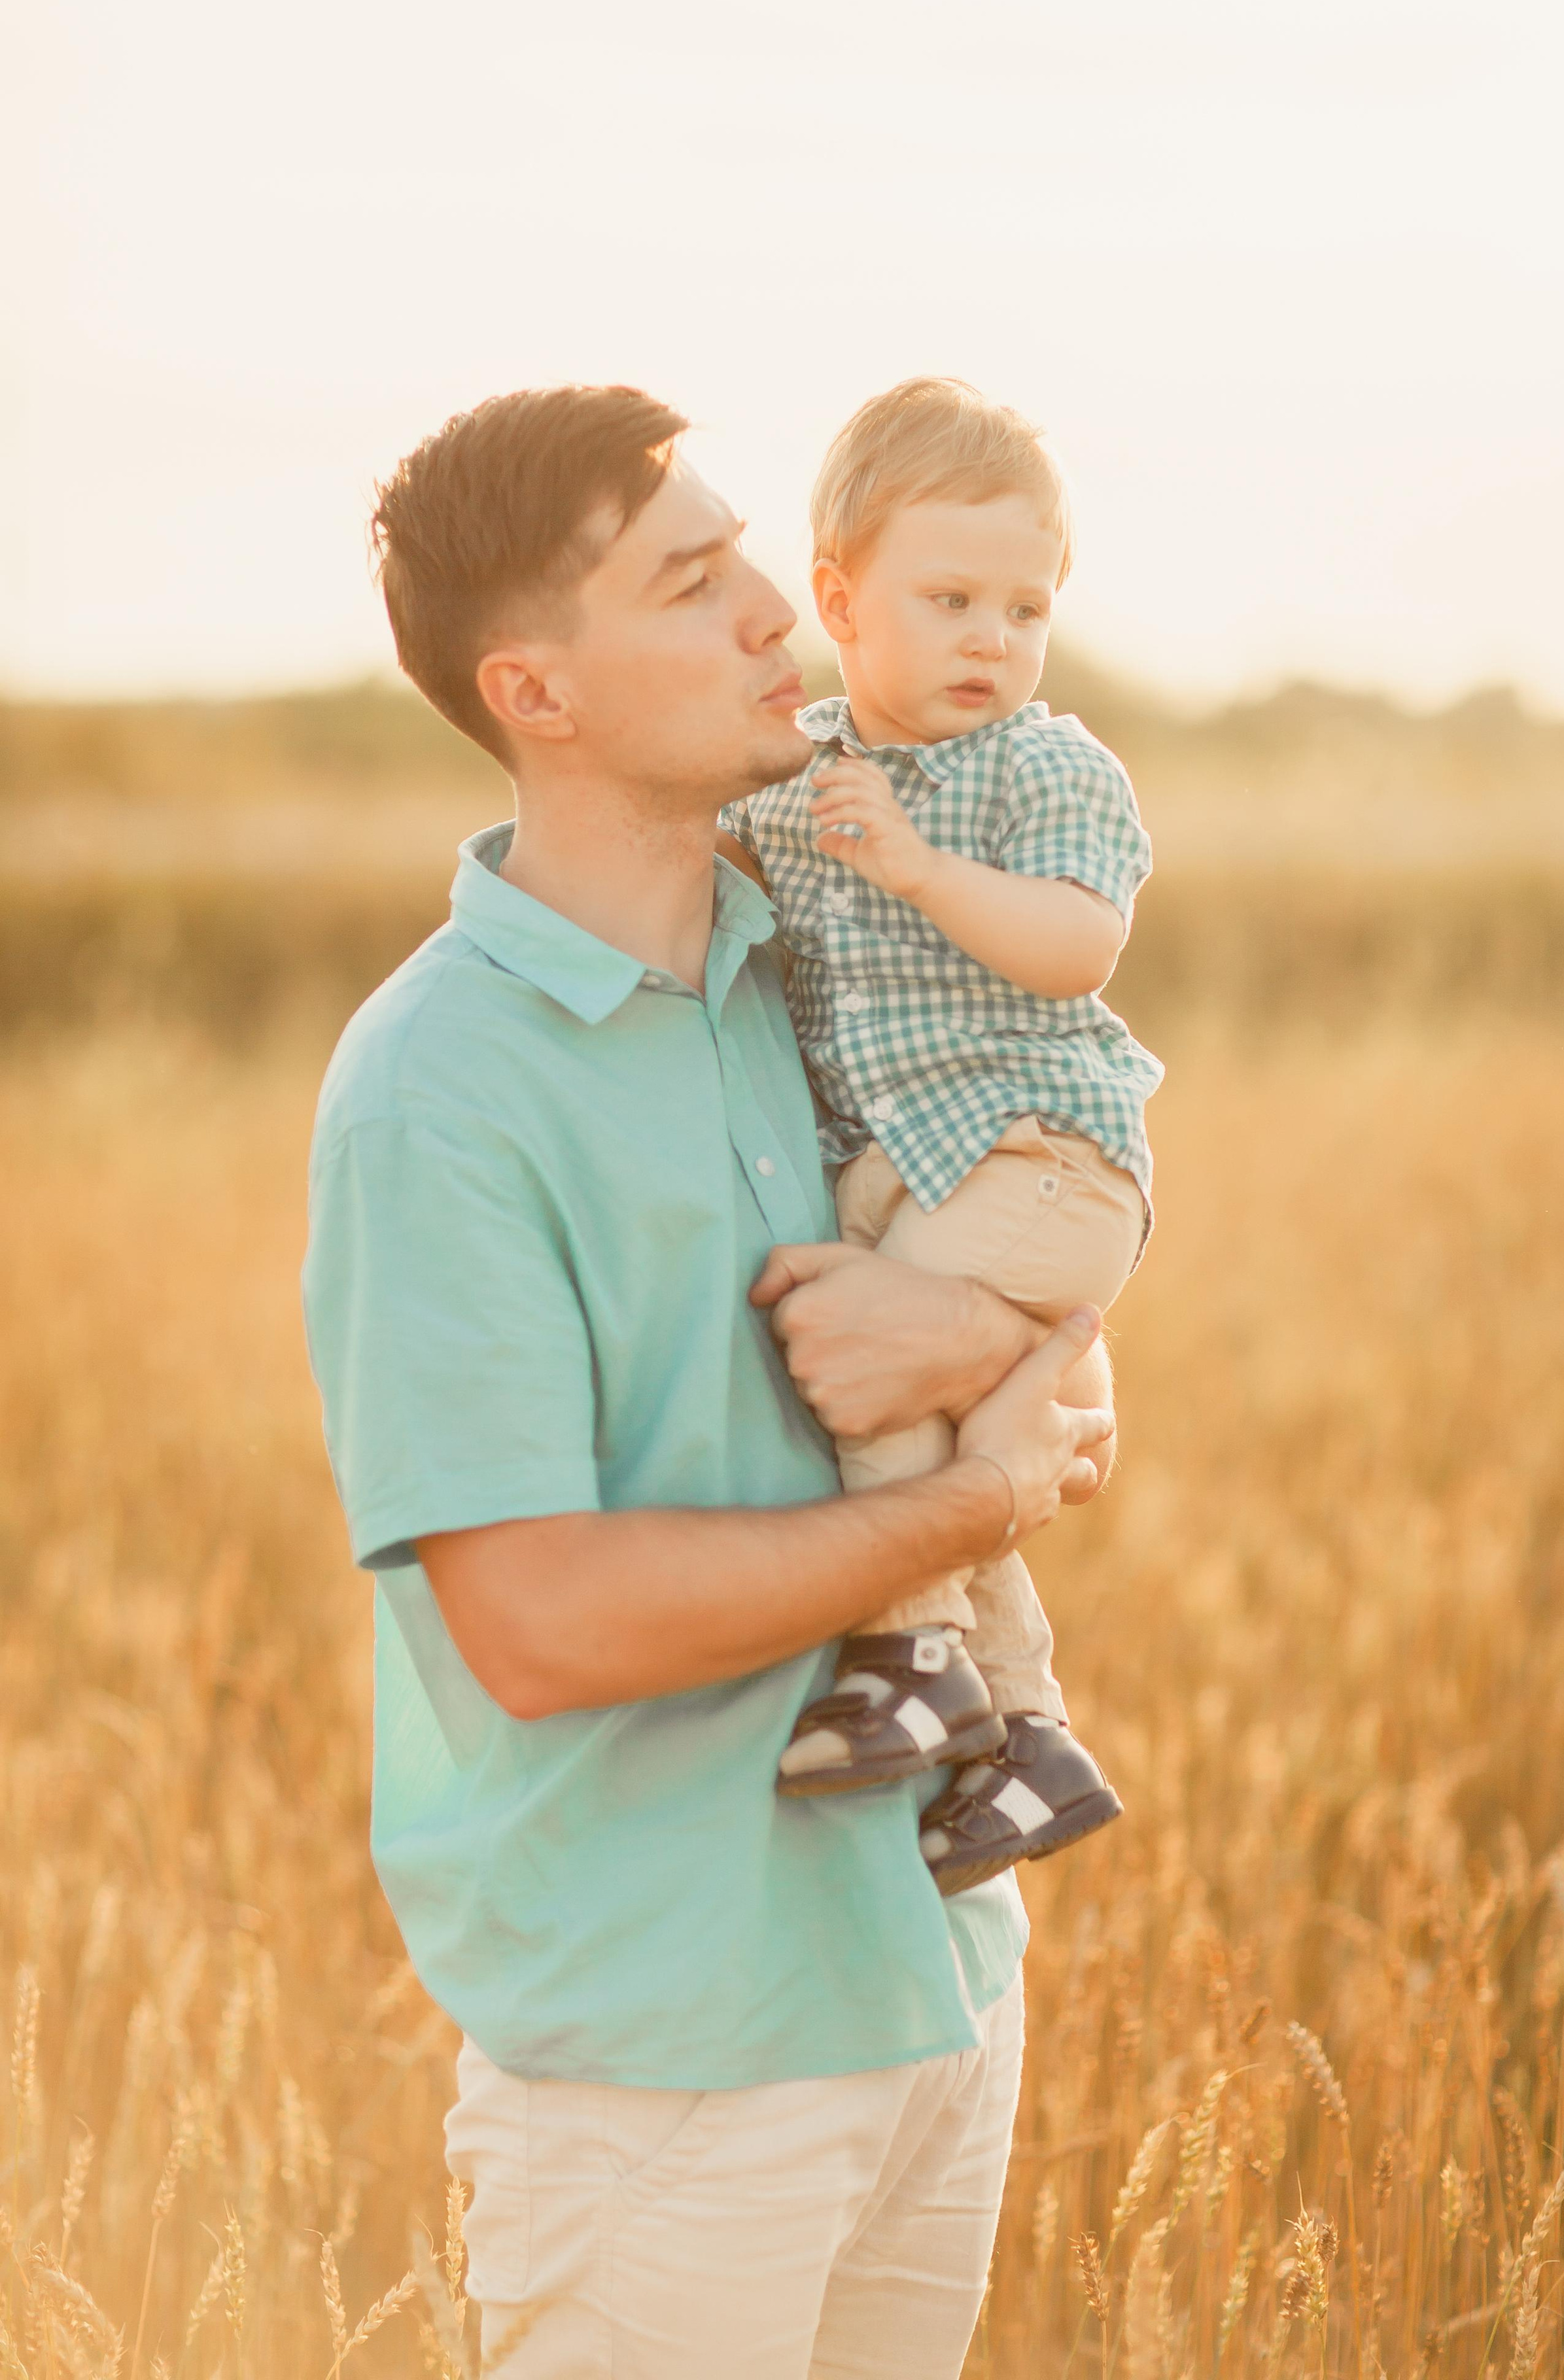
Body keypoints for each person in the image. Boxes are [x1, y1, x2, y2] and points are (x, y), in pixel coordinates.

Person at [301, 383, 1120, 2379]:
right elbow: (542, 1626)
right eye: (695, 580)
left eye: (752, 554)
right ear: (539, 690)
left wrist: (1007, 1338)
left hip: (935, 1979)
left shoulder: (813, 964)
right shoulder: (439, 1089)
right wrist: (965, 1504)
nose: (777, 610)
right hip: (673, 2072)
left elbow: (1065, 1323)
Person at [720, 379, 1162, 1895]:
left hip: (1040, 1155)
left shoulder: (1040, 766)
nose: (994, 637)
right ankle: (1021, 1729)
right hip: (907, 1167)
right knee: (886, 1375)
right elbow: (730, 875)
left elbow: (1076, 945)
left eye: (1025, 607)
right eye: (952, 597)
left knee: (871, 1344)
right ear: (838, 602)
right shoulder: (797, 775)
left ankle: (912, 1655)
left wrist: (917, 871)